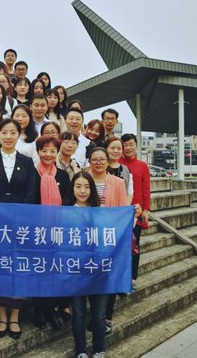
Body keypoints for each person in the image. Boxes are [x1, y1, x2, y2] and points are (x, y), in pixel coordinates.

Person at [0, 118, 37, 340]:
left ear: (19, 135)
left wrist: (18, 218)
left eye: (13, 132)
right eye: (4, 132)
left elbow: (31, 193)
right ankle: (1, 316)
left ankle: (15, 316)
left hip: (20, 225)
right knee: (0, 269)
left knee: (18, 270)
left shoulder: (27, 162)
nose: (9, 136)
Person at [89, 147, 139, 338]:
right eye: (94, 159)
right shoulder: (83, 179)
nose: (98, 162)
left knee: (109, 278)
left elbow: (121, 211)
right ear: (89, 161)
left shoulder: (117, 182)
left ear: (108, 161)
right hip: (87, 238)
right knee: (91, 278)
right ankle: (94, 315)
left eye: (102, 159)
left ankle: (106, 317)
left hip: (110, 238)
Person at [63, 171, 105, 358]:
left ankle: (99, 350)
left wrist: (132, 215)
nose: (82, 191)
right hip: (75, 271)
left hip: (99, 271)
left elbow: (114, 235)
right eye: (78, 186)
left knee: (99, 315)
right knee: (78, 314)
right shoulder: (64, 212)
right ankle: (80, 350)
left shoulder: (101, 211)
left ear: (92, 189)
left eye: (87, 187)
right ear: (72, 188)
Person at [33, 135, 70, 330]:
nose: (48, 154)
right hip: (36, 232)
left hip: (57, 231)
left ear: (57, 153)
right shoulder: (32, 173)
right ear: (38, 151)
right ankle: (39, 311)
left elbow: (68, 201)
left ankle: (51, 310)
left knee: (55, 272)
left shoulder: (62, 176)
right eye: (44, 150)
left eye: (52, 151)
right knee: (38, 272)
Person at [120, 133, 151, 286]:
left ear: (136, 146)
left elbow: (146, 189)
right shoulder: (117, 163)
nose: (128, 148)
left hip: (136, 212)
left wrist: (146, 210)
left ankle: (132, 277)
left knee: (134, 245)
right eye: (125, 145)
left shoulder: (142, 166)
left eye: (131, 144)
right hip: (119, 211)